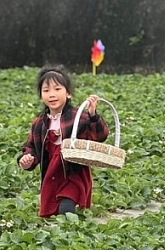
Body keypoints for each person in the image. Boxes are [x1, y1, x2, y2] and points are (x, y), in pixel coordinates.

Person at [18, 65, 109, 218]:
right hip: (52, 175)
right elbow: (31, 148)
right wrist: (26, 159)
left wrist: (93, 115)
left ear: (68, 93)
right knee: (54, 213)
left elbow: (100, 135)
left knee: (67, 206)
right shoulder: (39, 123)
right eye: (46, 90)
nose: (52, 94)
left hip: (74, 173)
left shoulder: (79, 117)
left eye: (57, 89)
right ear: (41, 96)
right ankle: (65, 236)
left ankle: (70, 232)